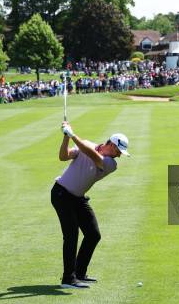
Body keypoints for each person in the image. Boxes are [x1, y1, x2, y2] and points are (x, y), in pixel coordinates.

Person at [51, 122, 129, 289]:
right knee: (71, 235)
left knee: (93, 234)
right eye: (118, 151)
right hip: (61, 194)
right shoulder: (87, 144)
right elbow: (63, 156)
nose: (119, 155)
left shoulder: (110, 163)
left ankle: (79, 273)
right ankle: (68, 279)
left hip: (78, 198)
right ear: (111, 144)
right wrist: (66, 137)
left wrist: (72, 135)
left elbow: (92, 155)